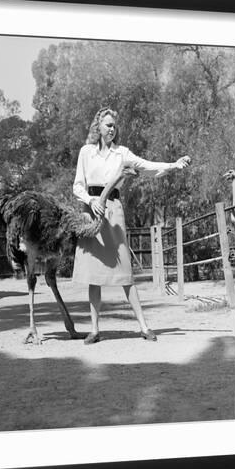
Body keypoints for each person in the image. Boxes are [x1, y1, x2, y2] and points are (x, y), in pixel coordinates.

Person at [72, 107, 190, 344]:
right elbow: (77, 186)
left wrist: (174, 165)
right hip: (91, 212)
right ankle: (94, 330)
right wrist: (90, 200)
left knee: (125, 272)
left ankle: (144, 327)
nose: (112, 129)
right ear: (98, 127)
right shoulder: (86, 152)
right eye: (107, 125)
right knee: (94, 275)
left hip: (113, 212)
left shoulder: (122, 154)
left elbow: (147, 165)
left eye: (114, 125)